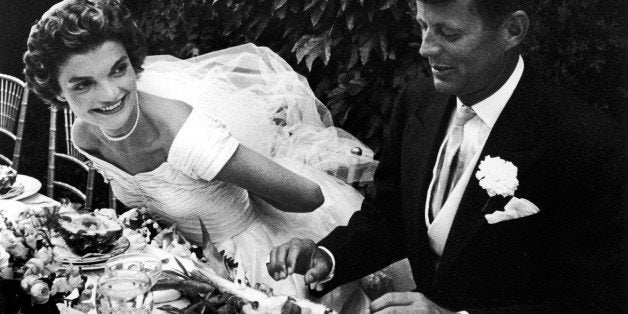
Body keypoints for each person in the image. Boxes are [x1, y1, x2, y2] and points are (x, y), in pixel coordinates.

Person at [22, 0, 413, 310]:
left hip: (256, 268)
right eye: (84, 85)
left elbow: (309, 196)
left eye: (119, 69)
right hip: (183, 266)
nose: (109, 93)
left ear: (134, 62)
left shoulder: (185, 136)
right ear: (57, 91)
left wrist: (238, 181)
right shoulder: (85, 135)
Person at [268, 0, 625, 312]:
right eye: (422, 26)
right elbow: (393, 215)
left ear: (512, 30)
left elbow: (596, 303)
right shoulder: (416, 101)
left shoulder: (587, 143)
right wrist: (329, 257)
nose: (425, 48)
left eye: (448, 34)